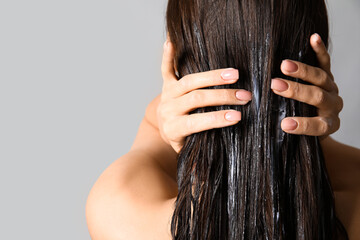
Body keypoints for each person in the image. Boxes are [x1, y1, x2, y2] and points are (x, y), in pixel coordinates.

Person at [85, 2, 360, 240]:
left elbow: (150, 142)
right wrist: (302, 119)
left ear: (178, 59)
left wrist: (169, 114)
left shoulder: (120, 213)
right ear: (318, 63)